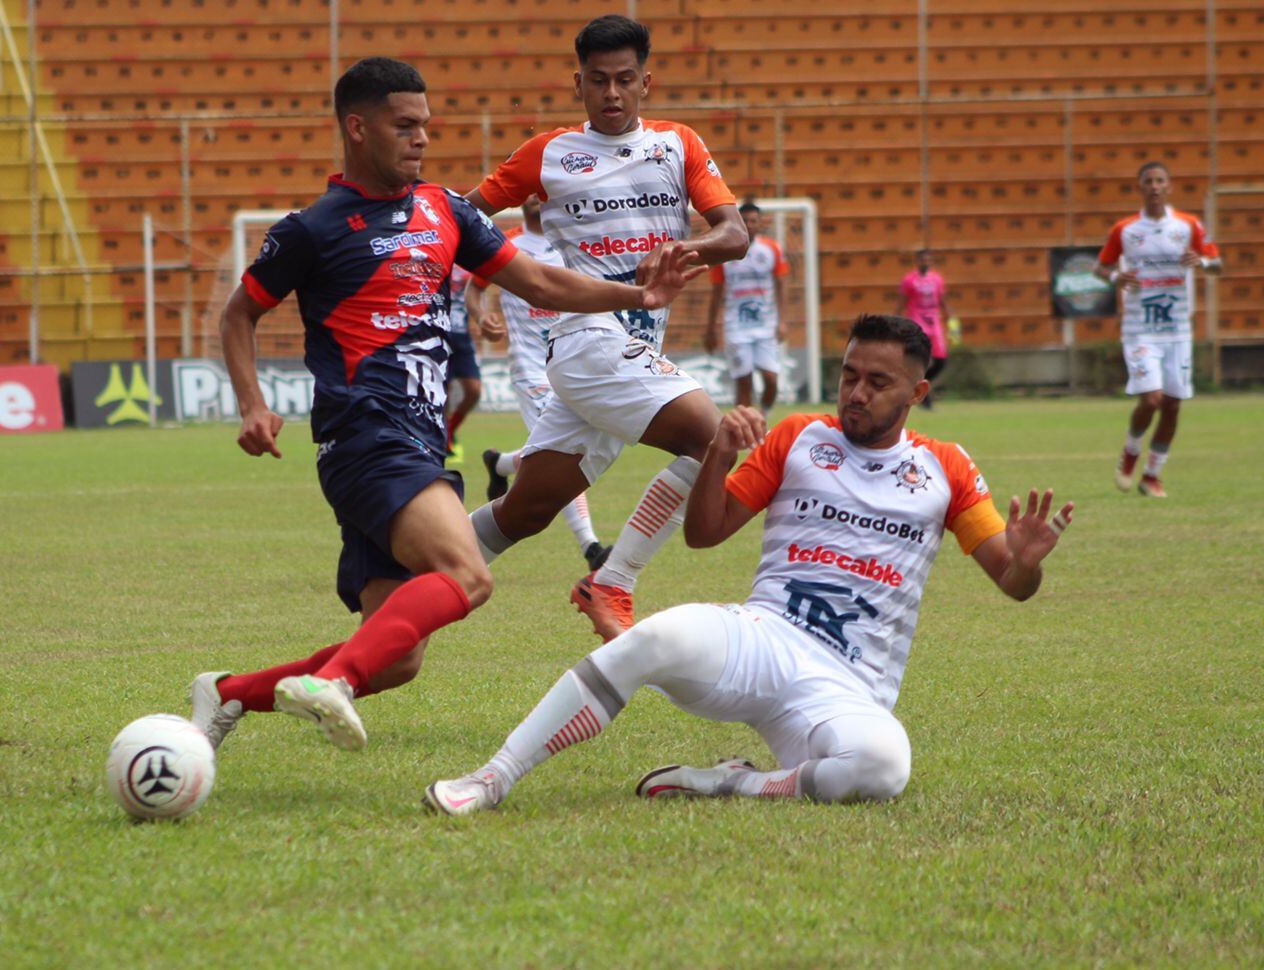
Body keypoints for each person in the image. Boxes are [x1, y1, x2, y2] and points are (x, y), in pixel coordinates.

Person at [190, 57, 701, 753]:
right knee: (466, 574)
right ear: (357, 128)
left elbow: (541, 283)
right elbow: (237, 316)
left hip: (415, 442)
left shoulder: (444, 211)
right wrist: (252, 404)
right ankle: (332, 682)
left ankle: (225, 693)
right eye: (404, 126)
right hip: (368, 434)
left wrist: (638, 296)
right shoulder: (312, 229)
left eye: (425, 126)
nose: (421, 139)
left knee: (395, 659)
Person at [423, 314, 1075, 815]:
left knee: (884, 766)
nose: (857, 393)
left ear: (918, 391)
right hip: (763, 639)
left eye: (878, 383)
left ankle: (735, 783)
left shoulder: (946, 467)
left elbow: (1012, 584)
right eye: (850, 376)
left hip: (847, 686)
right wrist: (719, 455)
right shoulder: (799, 438)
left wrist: (1025, 560)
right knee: (655, 637)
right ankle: (490, 780)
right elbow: (706, 534)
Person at [463, 14, 753, 642]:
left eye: (625, 80)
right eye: (599, 81)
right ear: (579, 84)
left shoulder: (678, 144)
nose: (613, 94)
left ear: (647, 81)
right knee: (711, 436)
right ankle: (612, 581)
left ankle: (418, 566)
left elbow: (735, 234)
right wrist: (467, 283)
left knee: (527, 510)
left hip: (633, 350)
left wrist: (684, 251)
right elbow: (463, 216)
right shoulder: (549, 153)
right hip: (588, 341)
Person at [467, 197, 611, 572]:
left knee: (555, 451)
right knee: (562, 456)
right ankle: (591, 547)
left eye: (541, 190)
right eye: (528, 191)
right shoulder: (505, 244)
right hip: (532, 368)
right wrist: (482, 317)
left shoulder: (572, 242)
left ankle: (499, 464)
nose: (535, 197)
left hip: (575, 365)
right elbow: (474, 289)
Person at [1096, 160, 1221, 498]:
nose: (1154, 186)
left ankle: (1152, 476)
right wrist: (1113, 277)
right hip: (1140, 329)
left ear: (1169, 186)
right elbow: (1100, 266)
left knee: (1173, 404)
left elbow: (1217, 263)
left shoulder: (1187, 225)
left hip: (1178, 328)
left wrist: (1204, 262)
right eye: (1148, 180)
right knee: (1151, 399)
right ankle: (1130, 453)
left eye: (1160, 180)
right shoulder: (1126, 230)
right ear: (1140, 187)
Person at [703, 201, 790, 411]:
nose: (750, 225)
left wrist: (783, 321)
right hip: (736, 326)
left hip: (766, 325)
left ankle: (762, 416)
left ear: (760, 224)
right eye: (746, 221)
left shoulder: (771, 249)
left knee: (771, 379)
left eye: (754, 221)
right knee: (744, 382)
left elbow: (781, 286)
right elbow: (717, 293)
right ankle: (744, 431)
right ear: (739, 223)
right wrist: (711, 328)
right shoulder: (726, 252)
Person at [898, 249, 953, 409]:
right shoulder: (909, 280)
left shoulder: (937, 279)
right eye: (923, 260)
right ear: (917, 261)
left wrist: (950, 317)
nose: (926, 262)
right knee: (920, 360)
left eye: (928, 260)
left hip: (934, 322)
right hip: (917, 321)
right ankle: (924, 396)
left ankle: (921, 388)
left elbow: (942, 300)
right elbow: (901, 302)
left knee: (941, 360)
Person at [442, 263, 482, 464]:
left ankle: (448, 431)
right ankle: (443, 441)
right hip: (440, 335)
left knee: (474, 390)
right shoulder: (439, 258)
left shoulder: (468, 261)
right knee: (443, 393)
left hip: (463, 338)